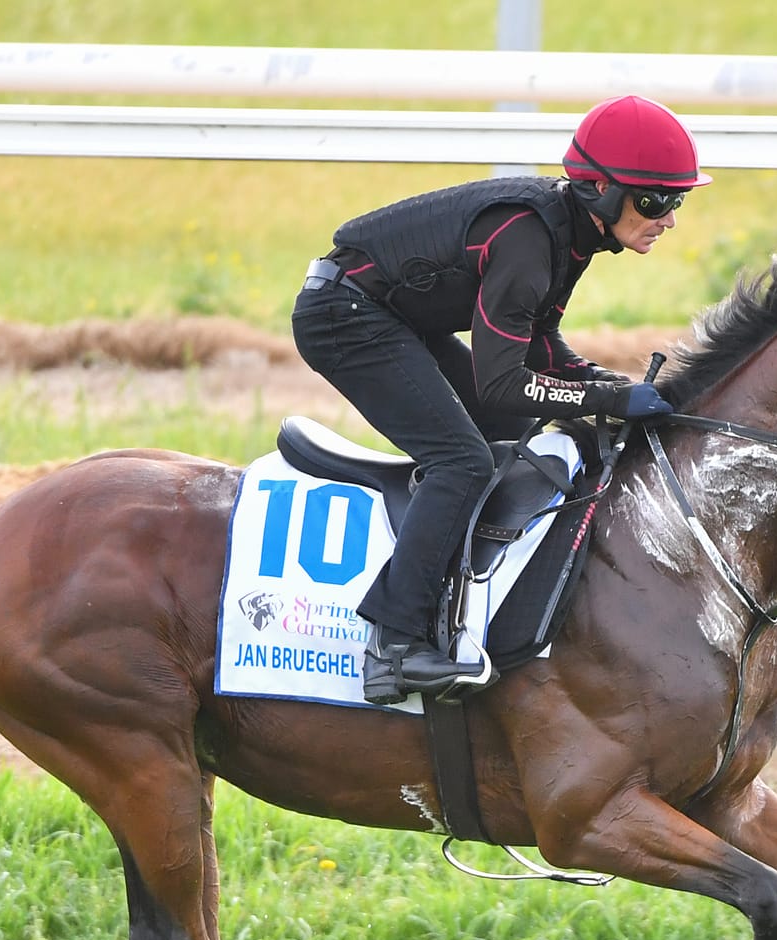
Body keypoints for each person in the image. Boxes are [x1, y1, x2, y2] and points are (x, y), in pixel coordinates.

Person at [292, 94, 711, 705]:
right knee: (462, 460)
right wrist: (605, 399)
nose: (668, 218)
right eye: (654, 201)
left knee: (506, 435)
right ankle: (394, 643)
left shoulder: (572, 233)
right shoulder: (529, 238)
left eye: (677, 201)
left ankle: (463, 599)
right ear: (600, 190)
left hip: (390, 314)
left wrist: (615, 389)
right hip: (343, 316)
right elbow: (503, 383)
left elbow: (538, 346)